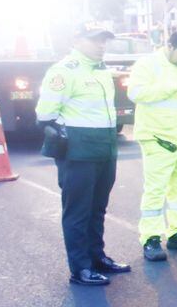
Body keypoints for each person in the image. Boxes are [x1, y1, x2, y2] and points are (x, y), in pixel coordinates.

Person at [36, 22, 127, 286]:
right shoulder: (64, 71)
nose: (101, 46)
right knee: (78, 212)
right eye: (95, 40)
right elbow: (46, 114)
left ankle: (98, 258)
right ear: (76, 41)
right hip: (78, 151)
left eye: (104, 41)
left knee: (98, 208)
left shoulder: (101, 71)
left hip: (105, 148)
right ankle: (81, 268)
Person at [127, 28, 177, 261]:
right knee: (156, 189)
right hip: (158, 138)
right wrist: (173, 86)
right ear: (170, 46)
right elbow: (136, 93)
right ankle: (151, 238)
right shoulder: (148, 65)